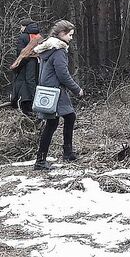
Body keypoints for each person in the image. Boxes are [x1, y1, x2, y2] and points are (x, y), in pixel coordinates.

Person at [32, 20, 84, 170]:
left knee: (69, 117)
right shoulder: (59, 50)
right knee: (52, 124)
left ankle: (67, 153)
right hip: (55, 91)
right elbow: (63, 75)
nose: (71, 38)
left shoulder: (48, 49)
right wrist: (77, 89)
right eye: (70, 35)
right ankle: (40, 161)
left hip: (50, 90)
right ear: (61, 33)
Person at [9, 19, 43, 116]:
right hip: (38, 62)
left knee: (23, 82)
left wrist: (17, 65)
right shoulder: (39, 37)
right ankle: (38, 103)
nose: (20, 29)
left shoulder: (23, 36)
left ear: (25, 26)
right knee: (35, 82)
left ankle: (26, 106)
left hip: (26, 63)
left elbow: (20, 52)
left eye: (21, 26)